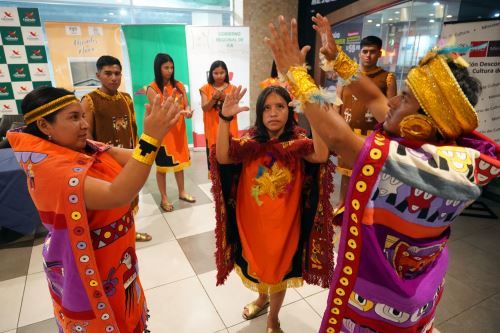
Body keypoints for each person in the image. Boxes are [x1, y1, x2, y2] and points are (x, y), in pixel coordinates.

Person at [265, 15, 500, 333]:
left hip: (382, 302)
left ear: (421, 122)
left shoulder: (416, 166)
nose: (392, 101)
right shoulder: (451, 150)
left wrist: (295, 73)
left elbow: (337, 138)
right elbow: (375, 98)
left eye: (404, 98)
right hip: (418, 288)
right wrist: (337, 58)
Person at [6, 85, 180, 332]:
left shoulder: (82, 147)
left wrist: (157, 134)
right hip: (91, 266)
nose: (84, 124)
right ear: (45, 126)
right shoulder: (50, 168)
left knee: (126, 312)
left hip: (117, 258)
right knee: (104, 319)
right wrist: (151, 138)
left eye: (82, 116)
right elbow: (119, 193)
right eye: (74, 117)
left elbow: (132, 157)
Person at [212, 85, 335, 333]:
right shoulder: (249, 143)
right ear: (259, 112)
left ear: (290, 111)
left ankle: (273, 318)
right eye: (267, 108)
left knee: (278, 270)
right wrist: (225, 118)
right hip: (252, 222)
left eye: (280, 106)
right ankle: (261, 298)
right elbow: (223, 157)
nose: (273, 113)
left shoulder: (298, 142)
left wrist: (312, 113)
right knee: (259, 266)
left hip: (286, 224)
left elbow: (321, 155)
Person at [81, 55, 151, 242]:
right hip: (104, 162)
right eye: (108, 73)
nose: (114, 78)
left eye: (117, 73)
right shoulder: (89, 100)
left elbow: (133, 129)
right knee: (111, 200)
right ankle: (112, 236)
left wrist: (137, 156)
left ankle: (129, 231)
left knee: (130, 195)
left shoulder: (126, 99)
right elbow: (86, 137)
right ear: (98, 75)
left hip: (127, 158)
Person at [335, 36, 397, 209]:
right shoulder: (346, 76)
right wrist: (335, 132)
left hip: (373, 136)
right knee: (346, 174)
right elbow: (336, 104)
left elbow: (391, 110)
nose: (368, 56)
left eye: (372, 52)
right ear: (360, 53)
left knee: (369, 174)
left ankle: (366, 207)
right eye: (365, 51)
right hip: (348, 133)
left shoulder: (387, 78)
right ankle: (342, 204)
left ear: (379, 54)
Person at [147, 53, 195, 212]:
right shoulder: (152, 88)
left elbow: (186, 105)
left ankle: (182, 192)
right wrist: (177, 112)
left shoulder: (179, 85)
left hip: (179, 132)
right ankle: (164, 198)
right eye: (166, 67)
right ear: (158, 68)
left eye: (171, 67)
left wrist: (187, 111)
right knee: (161, 167)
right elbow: (159, 112)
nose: (169, 70)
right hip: (163, 133)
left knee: (179, 164)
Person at [199, 60, 238, 172]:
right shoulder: (205, 88)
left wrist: (226, 98)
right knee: (214, 164)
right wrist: (214, 98)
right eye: (216, 73)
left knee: (230, 161)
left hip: (230, 130)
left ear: (226, 73)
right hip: (212, 130)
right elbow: (205, 108)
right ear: (211, 73)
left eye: (222, 73)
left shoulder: (233, 88)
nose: (219, 76)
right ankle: (216, 186)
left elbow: (235, 109)